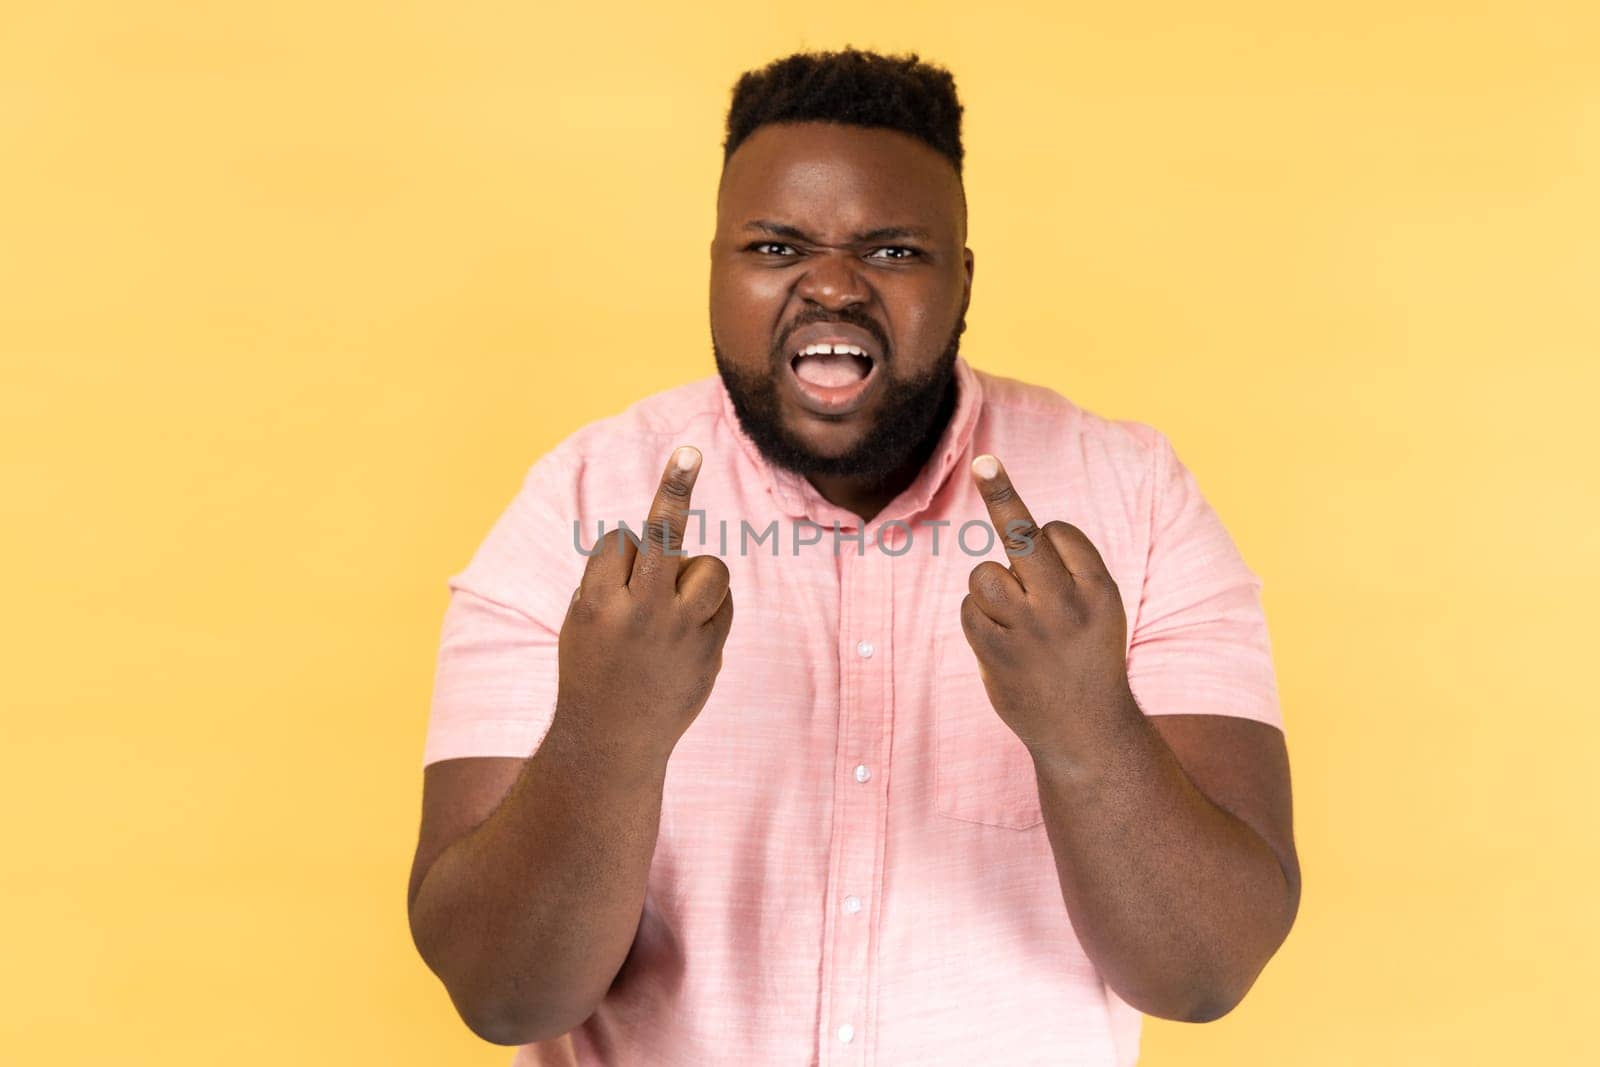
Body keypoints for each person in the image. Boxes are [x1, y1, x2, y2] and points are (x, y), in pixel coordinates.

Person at [406, 46, 1300, 1066]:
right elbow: (501, 996)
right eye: (776, 247)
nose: (831, 285)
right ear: (714, 268)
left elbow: (1203, 974)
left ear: (961, 278)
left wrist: (1087, 728)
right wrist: (607, 736)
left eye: (891, 252)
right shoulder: (574, 501)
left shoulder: (1135, 498)